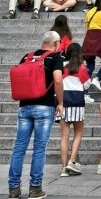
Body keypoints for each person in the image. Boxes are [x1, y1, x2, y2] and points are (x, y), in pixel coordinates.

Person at [7, 30, 64, 199]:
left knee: (19, 148)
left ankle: (13, 189)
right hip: (44, 107)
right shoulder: (56, 58)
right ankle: (35, 188)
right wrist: (60, 102)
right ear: (55, 43)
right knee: (39, 148)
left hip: (24, 107)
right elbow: (58, 79)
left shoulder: (26, 57)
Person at [59, 43, 90, 177]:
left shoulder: (61, 66)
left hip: (63, 101)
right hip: (77, 100)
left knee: (64, 135)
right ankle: (72, 161)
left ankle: (64, 167)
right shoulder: (81, 67)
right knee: (78, 133)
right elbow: (86, 85)